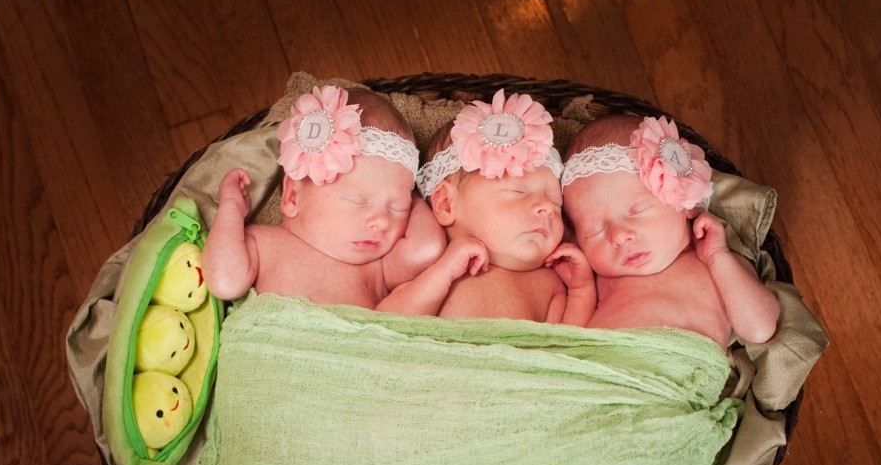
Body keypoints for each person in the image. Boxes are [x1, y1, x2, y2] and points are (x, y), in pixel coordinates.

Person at [203, 85, 445, 309]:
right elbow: (225, 282)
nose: (381, 221)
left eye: (397, 208)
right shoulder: (264, 242)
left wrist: (408, 191)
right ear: (292, 196)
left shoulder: (378, 268)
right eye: (358, 201)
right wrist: (231, 208)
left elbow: (427, 249)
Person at [378, 90, 595, 325]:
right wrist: (446, 271)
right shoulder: (433, 261)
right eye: (519, 192)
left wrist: (582, 288)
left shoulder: (549, 282)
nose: (546, 207)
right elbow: (387, 323)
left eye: (556, 203)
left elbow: (566, 346)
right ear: (445, 204)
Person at [560, 114, 779, 347]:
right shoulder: (595, 279)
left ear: (685, 205)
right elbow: (567, 335)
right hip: (599, 370)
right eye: (595, 231)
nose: (620, 236)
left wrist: (719, 256)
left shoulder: (712, 263)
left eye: (637, 211)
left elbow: (760, 330)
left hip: (676, 374)